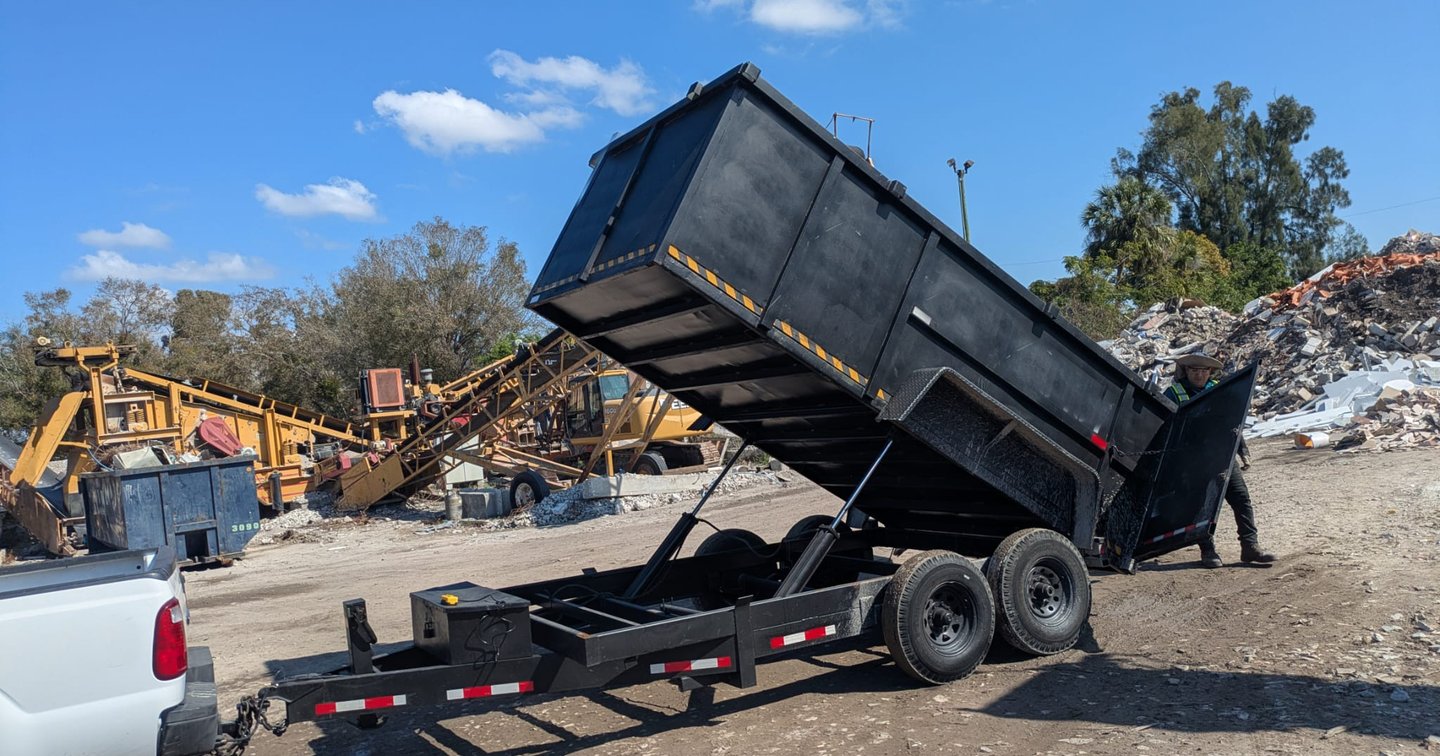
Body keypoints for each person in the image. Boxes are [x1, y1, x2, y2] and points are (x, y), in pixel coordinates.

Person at [1164, 352, 1277, 569]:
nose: (1199, 375)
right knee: (1201, 505)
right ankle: (1208, 551)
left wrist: (1242, 449)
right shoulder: (1174, 393)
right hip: (1193, 460)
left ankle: (1250, 547)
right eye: (1194, 370)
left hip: (1224, 455)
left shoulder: (1221, 389)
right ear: (1186, 371)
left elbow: (1233, 419)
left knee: (1241, 499)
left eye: (1203, 371)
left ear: (1210, 372)